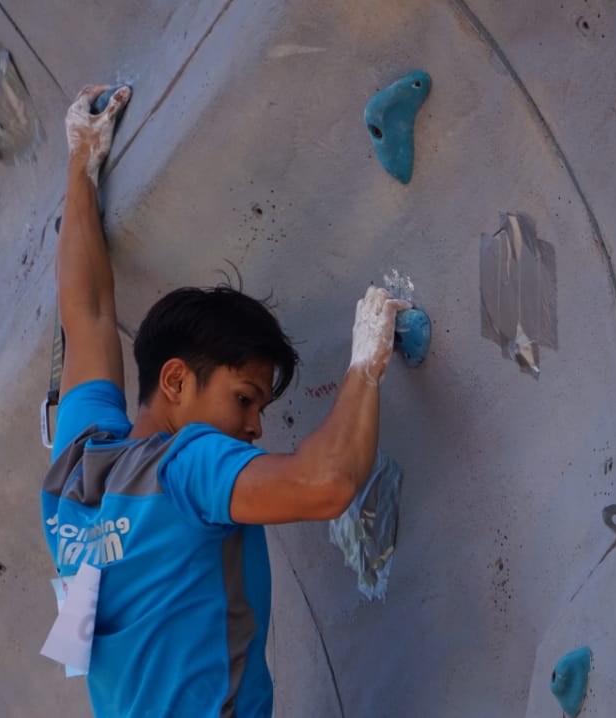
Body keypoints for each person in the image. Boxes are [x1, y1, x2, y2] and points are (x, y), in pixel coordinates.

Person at [41, 84, 408, 717]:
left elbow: (89, 311)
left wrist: (80, 162)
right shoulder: (187, 466)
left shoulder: (79, 467)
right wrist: (364, 364)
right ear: (176, 381)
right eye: (245, 399)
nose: (253, 427)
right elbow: (327, 484)